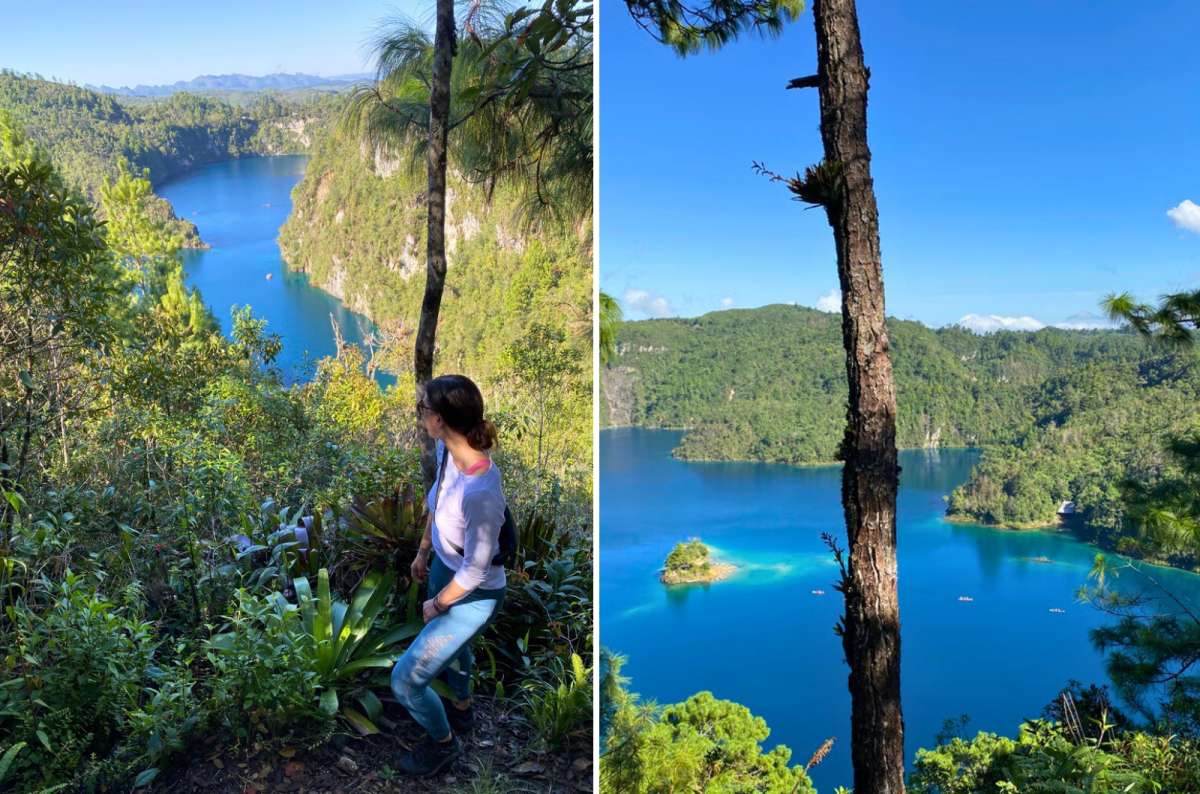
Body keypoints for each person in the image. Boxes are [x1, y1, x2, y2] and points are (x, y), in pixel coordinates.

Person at [391, 374, 507, 777]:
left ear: (440, 420)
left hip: (474, 595)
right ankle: (462, 709)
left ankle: (443, 745)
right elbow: (437, 501)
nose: (421, 416)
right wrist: (424, 551)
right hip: (445, 565)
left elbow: (476, 570)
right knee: (457, 650)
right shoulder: (447, 453)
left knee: (405, 682)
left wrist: (438, 603)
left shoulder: (482, 492)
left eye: (424, 410)